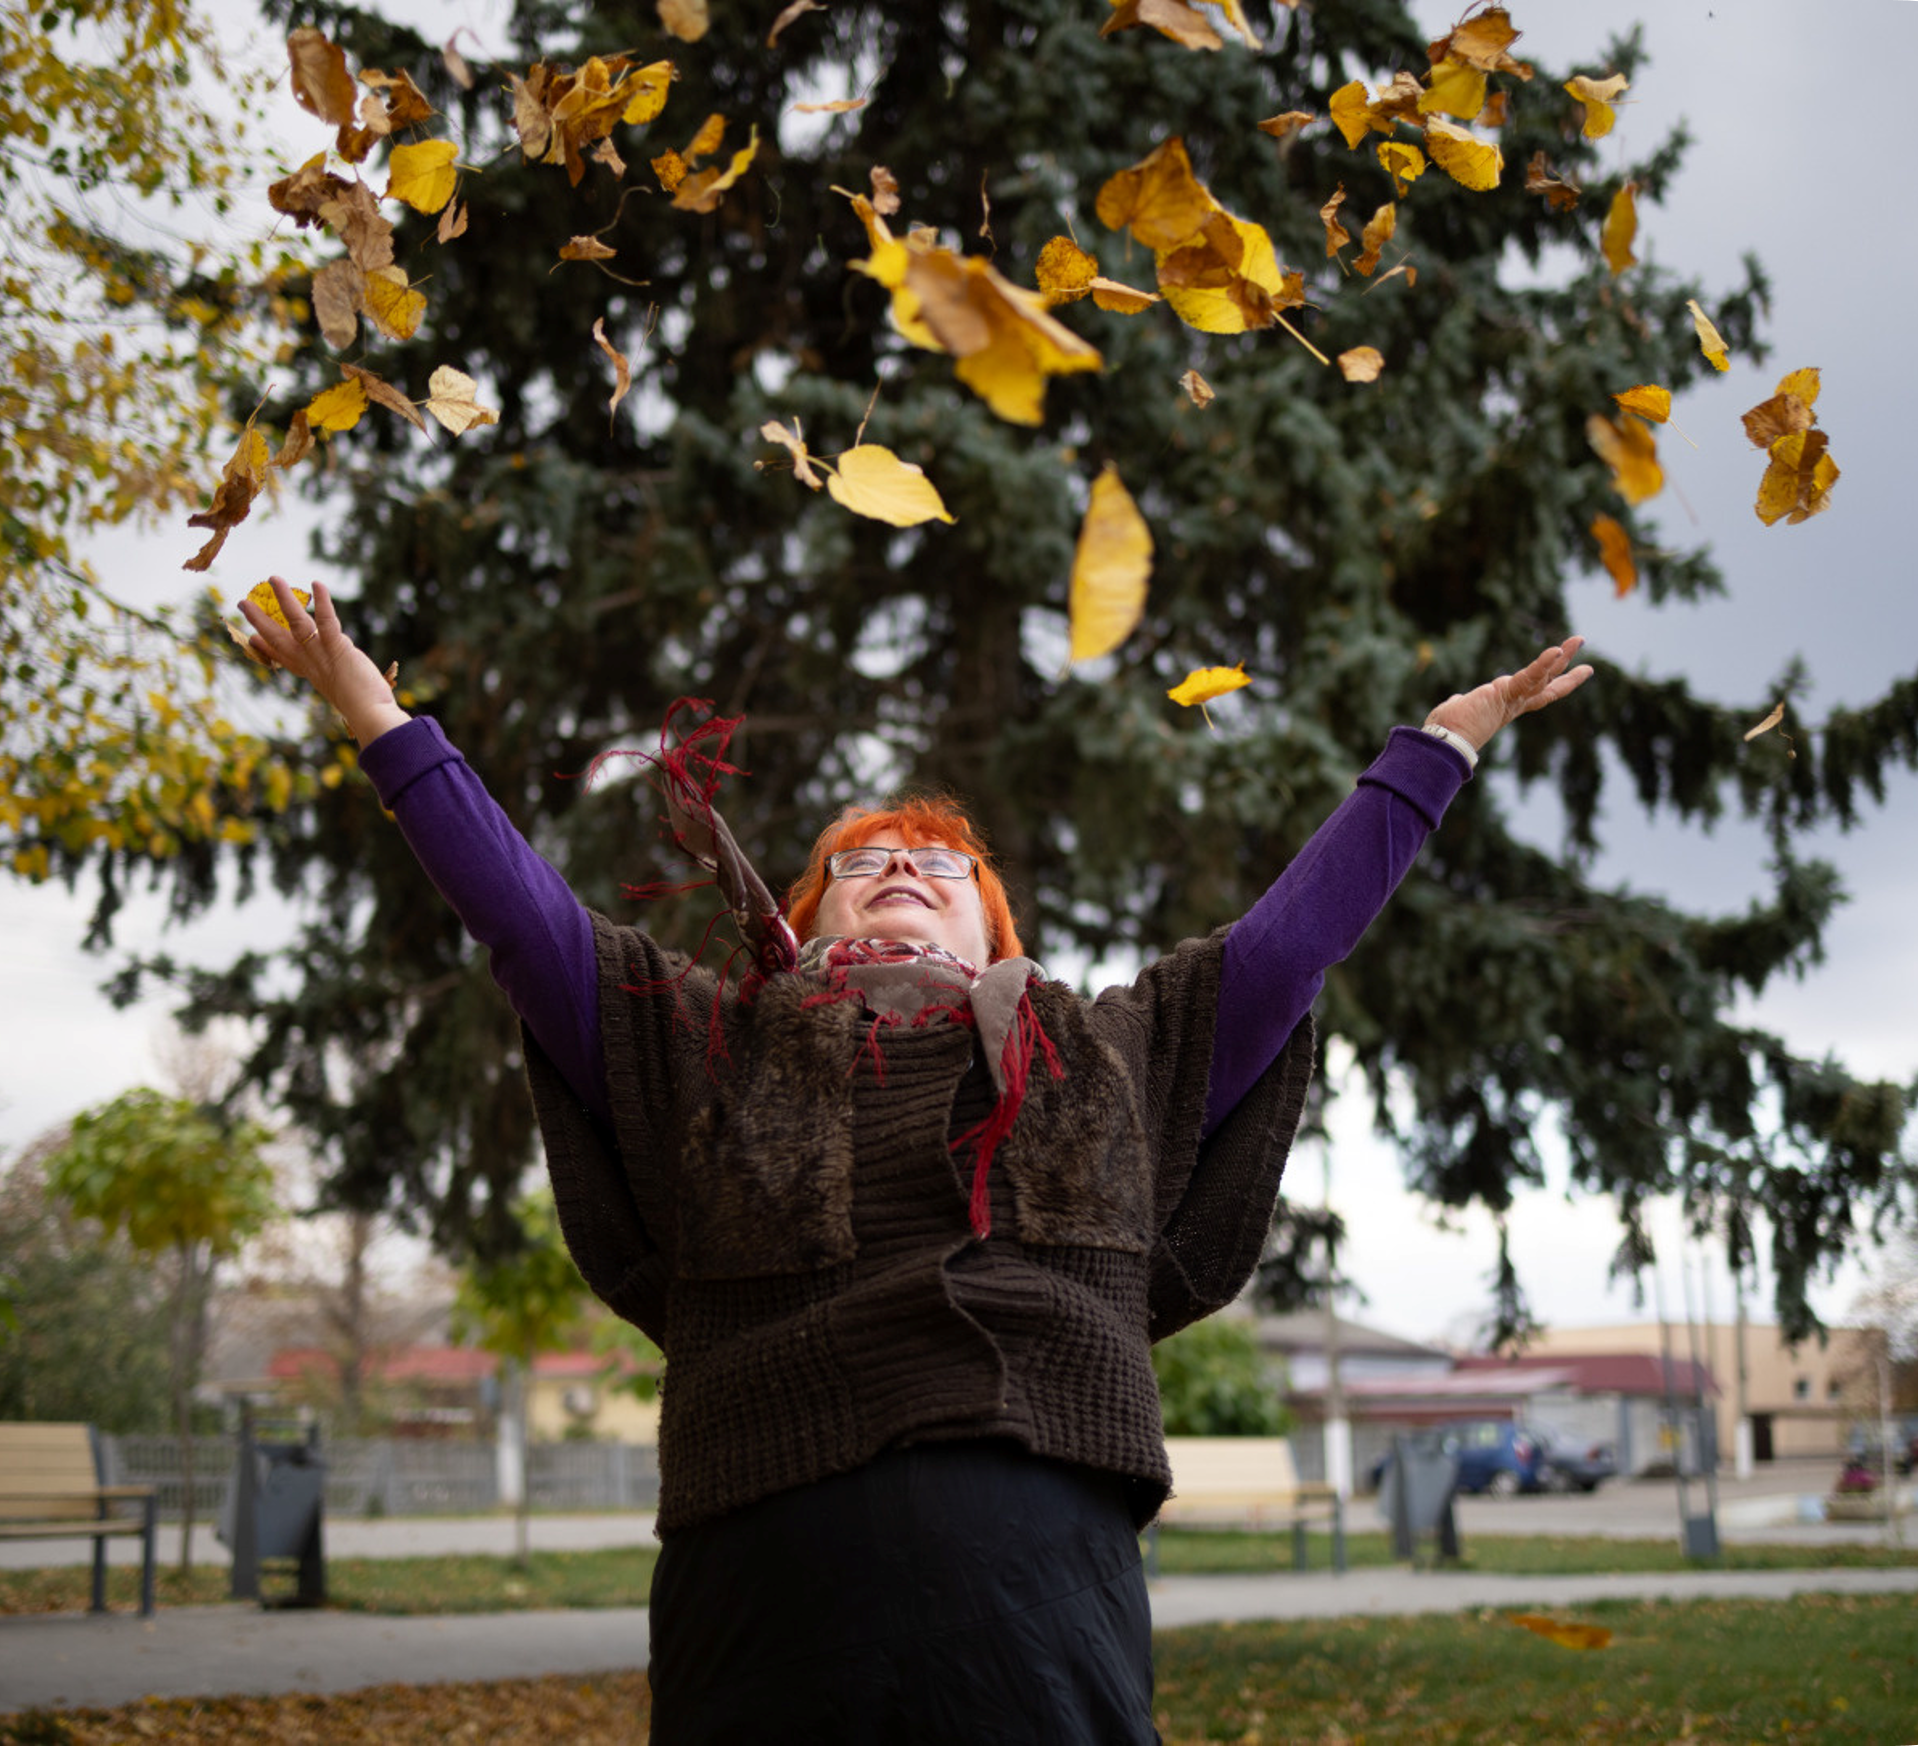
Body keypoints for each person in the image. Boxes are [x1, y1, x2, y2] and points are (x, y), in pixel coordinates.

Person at [241, 580, 1590, 1743]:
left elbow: (1290, 947)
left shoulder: (1106, 1046)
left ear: (993, 931)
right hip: (759, 1559)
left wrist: (1440, 745)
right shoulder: (705, 1038)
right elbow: (523, 917)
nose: (900, 865)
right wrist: (376, 712)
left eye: (939, 864)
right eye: (862, 860)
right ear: (803, 909)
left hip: (1037, 1564)